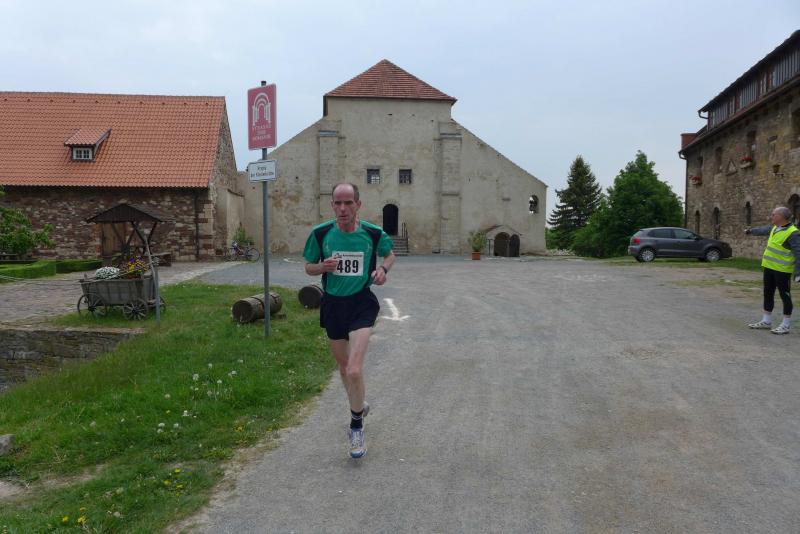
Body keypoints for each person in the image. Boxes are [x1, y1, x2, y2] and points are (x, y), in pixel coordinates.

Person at [303, 182, 396, 458]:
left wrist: (383, 269)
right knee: (344, 369)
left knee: (354, 369)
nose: (343, 208)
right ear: (332, 205)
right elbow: (308, 267)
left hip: (361, 304)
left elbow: (390, 254)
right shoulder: (320, 234)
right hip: (333, 305)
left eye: (348, 203)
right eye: (338, 203)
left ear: (358, 204)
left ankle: (356, 426)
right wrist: (322, 267)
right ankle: (359, 405)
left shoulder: (373, 233)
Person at [745, 206, 800, 334]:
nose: (771, 216)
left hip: (782, 270)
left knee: (785, 296)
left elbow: (799, 253)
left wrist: (798, 272)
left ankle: (785, 325)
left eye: (773, 214)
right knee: (768, 293)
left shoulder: (793, 233)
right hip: (769, 267)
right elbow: (763, 230)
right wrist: (751, 231)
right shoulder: (775, 228)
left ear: (781, 217)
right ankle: (766, 321)